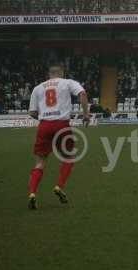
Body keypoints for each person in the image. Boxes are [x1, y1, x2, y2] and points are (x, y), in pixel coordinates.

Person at [27, 63, 90, 210]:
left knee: (40, 162)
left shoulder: (38, 88)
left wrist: (44, 118)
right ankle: (59, 186)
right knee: (69, 157)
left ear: (49, 74)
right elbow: (82, 94)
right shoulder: (67, 82)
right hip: (61, 124)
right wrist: (85, 114)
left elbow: (32, 112)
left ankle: (32, 194)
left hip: (44, 126)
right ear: (62, 73)